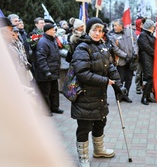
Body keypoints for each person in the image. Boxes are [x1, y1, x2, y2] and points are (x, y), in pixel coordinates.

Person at [71, 17, 126, 167]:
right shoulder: (82, 48)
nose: (97, 33)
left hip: (100, 96)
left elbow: (111, 69)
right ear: (88, 31)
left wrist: (119, 86)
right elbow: (82, 73)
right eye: (94, 30)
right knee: (84, 127)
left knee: (100, 122)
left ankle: (99, 150)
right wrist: (105, 81)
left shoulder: (103, 46)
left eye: (100, 30)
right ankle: (83, 158)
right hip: (85, 96)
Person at [34, 23, 63, 116]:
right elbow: (41, 59)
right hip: (46, 73)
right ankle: (46, 110)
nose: (55, 31)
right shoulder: (43, 42)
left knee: (54, 91)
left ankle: (54, 107)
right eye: (53, 29)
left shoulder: (52, 40)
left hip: (53, 71)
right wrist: (46, 71)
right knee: (45, 93)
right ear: (47, 31)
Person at [110, 19, 139, 103]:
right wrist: (125, 56)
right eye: (114, 26)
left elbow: (135, 43)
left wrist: (135, 53)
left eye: (116, 25)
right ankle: (119, 95)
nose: (114, 27)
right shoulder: (112, 36)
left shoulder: (130, 32)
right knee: (120, 79)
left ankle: (126, 95)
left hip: (131, 60)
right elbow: (115, 49)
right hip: (121, 61)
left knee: (129, 79)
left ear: (121, 26)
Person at [137, 19, 157, 105]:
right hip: (146, 59)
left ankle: (148, 96)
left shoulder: (149, 35)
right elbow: (147, 48)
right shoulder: (143, 35)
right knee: (150, 77)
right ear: (149, 26)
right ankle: (144, 97)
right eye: (153, 26)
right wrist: (156, 54)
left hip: (151, 58)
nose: (154, 28)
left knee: (152, 78)